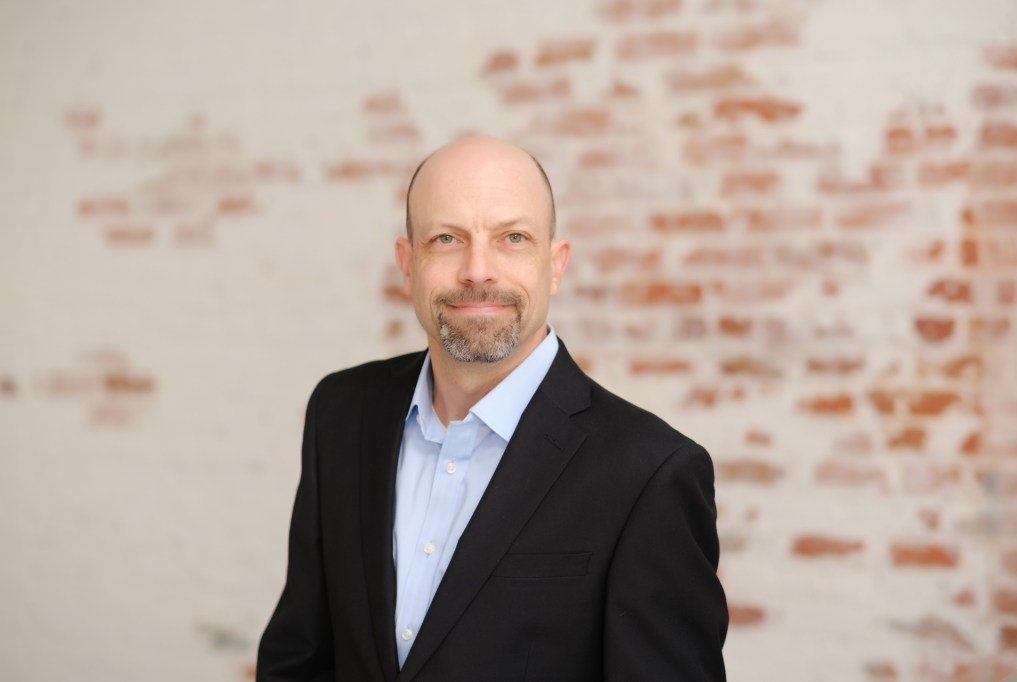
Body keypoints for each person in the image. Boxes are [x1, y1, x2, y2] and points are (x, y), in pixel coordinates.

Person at [256, 136, 728, 681]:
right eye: (447, 238)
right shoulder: (340, 414)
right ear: (407, 265)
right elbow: (298, 659)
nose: (478, 270)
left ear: (555, 265)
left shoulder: (650, 473)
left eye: (513, 238)